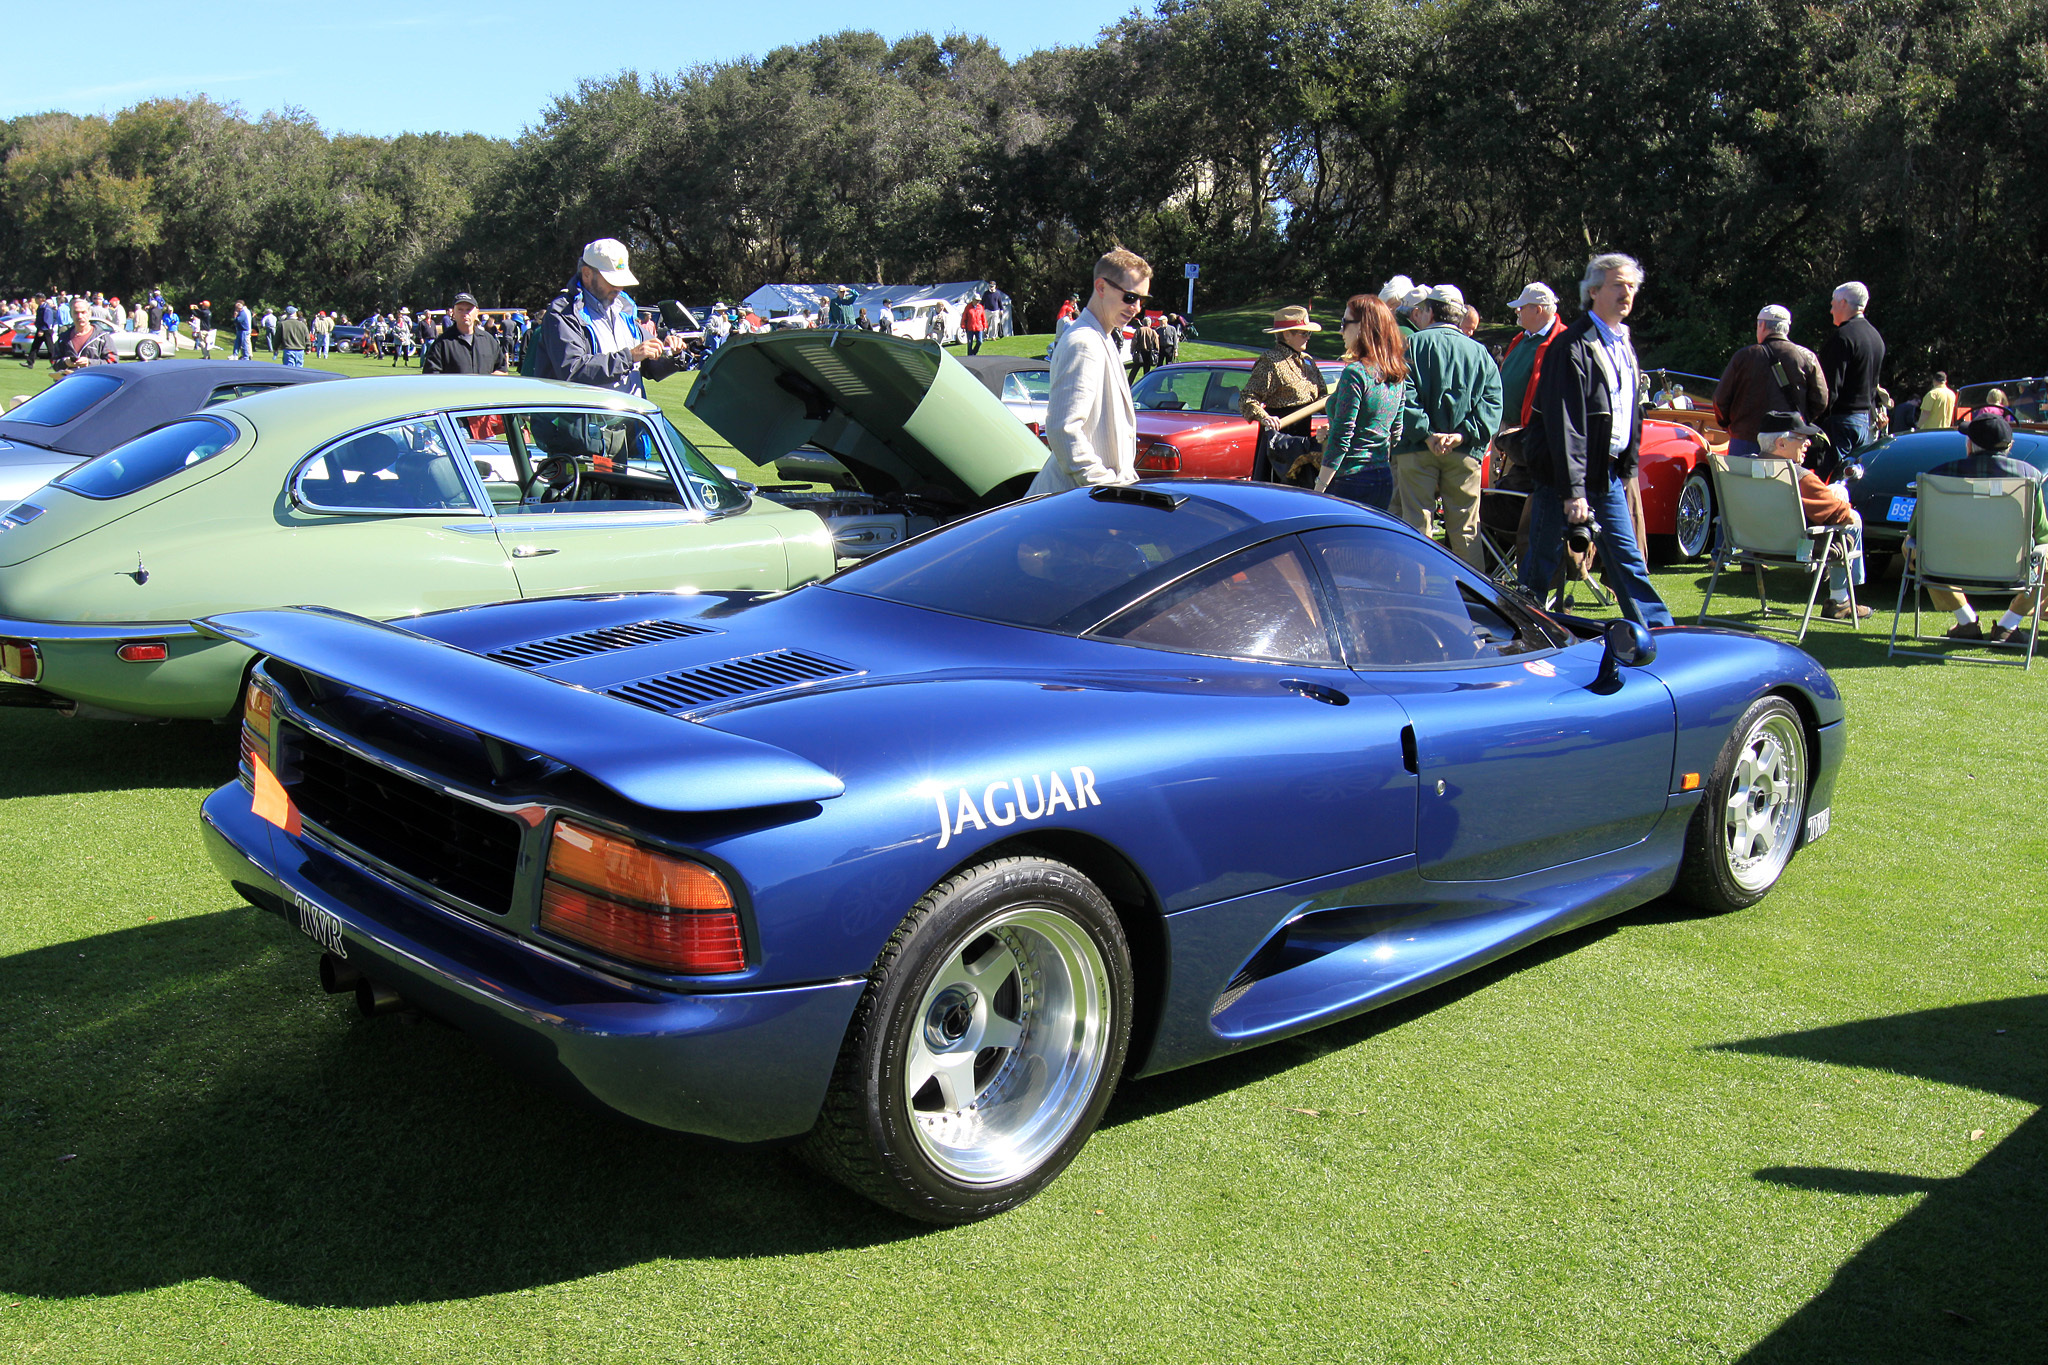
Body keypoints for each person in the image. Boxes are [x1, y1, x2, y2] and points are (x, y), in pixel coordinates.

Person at [1520, 252, 1674, 628]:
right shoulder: (1571, 346)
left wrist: (1627, 467)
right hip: (1564, 476)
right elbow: (1565, 424)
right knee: (1541, 563)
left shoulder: (1622, 342)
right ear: (1593, 291)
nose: (1627, 293)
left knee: (1628, 560)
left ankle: (1661, 636)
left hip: (1606, 475)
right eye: (1618, 285)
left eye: (1632, 287)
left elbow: (1629, 411)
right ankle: (1516, 634)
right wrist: (1573, 492)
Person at [1392, 284, 1502, 568]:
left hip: (1416, 450)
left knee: (1417, 524)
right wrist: (1461, 435)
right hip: (1464, 453)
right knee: (1466, 528)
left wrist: (1427, 434)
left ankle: (1417, 596)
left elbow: (1403, 394)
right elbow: (1492, 403)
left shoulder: (1412, 345)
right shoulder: (1480, 353)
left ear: (1429, 311)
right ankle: (1476, 601)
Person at [1028, 247, 1150, 495]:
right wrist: (1108, 487)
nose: (1136, 307)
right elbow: (1064, 429)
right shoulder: (1084, 342)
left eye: (1143, 300)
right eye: (1130, 297)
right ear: (1101, 287)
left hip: (1087, 504)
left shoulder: (1101, 337)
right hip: (1071, 508)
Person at [1922, 413, 2047, 645]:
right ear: (2010, 446)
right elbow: (2042, 534)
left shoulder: (1937, 476)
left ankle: (1966, 620)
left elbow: (1916, 531)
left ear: (1969, 445)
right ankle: (2009, 625)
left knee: (1913, 549)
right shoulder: (2030, 476)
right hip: (2013, 570)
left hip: (1945, 568)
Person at [1754, 411, 1869, 619]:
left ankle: (1841, 593)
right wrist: (1840, 498)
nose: (1807, 443)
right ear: (1780, 443)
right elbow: (1846, 516)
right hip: (1797, 549)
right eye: (1801, 438)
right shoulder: (1800, 477)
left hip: (1751, 544)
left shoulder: (1739, 470)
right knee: (1853, 519)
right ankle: (1841, 599)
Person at [531, 237, 683, 395]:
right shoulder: (564, 312)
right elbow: (573, 370)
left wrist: (671, 353)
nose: (619, 287)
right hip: (584, 418)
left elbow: (650, 367)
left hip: (629, 416)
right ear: (587, 274)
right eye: (612, 280)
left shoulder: (623, 310)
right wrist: (629, 357)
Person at [1316, 294, 1407, 510]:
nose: (1340, 331)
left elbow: (1341, 440)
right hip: (1382, 479)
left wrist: (1318, 488)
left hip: (1350, 480)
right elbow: (1395, 432)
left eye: (1344, 323)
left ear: (1363, 327)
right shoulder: (1397, 373)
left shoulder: (1355, 373)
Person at [1712, 304, 1829, 457]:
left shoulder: (1744, 356)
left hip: (1745, 437)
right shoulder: (1807, 357)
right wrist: (1799, 421)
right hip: (1788, 440)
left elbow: (1720, 399)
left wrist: (1730, 426)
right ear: (1786, 328)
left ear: (1762, 325)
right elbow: (1820, 400)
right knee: (1782, 480)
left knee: (1740, 480)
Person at [1241, 305, 1329, 485]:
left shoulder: (1308, 361)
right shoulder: (1270, 361)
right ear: (1287, 334)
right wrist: (1265, 417)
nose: (1308, 337)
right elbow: (1247, 398)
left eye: (1308, 333)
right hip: (1278, 441)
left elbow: (1322, 395)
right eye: (1303, 333)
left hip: (1303, 439)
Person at [1818, 281, 1885, 463]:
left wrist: (1813, 421)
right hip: (1867, 421)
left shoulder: (1843, 337)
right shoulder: (1875, 337)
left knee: (1832, 480)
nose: (1831, 310)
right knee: (1854, 478)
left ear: (1843, 303)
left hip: (1843, 421)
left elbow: (1830, 387)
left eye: (1833, 303)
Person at [1498, 282, 1565, 428]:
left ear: (1538, 310)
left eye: (1521, 307)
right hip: (1503, 427)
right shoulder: (1522, 338)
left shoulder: (1562, 341)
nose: (1517, 311)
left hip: (1528, 433)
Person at [421, 293, 507, 375]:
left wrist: (489, 379)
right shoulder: (442, 343)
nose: (465, 314)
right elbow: (431, 375)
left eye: (468, 309)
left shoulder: (489, 341)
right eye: (460, 309)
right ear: (453, 313)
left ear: (477, 312)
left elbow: (503, 370)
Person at [49, 308, 111, 373]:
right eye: (76, 313)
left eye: (83, 312)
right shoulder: (63, 338)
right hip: (71, 381)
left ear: (89, 313)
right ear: (71, 314)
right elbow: (54, 362)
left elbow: (112, 363)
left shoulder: (102, 337)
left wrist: (89, 362)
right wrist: (65, 362)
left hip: (94, 381)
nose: (79, 316)